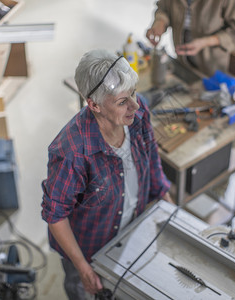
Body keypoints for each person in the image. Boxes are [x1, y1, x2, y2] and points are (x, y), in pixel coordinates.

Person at [41, 49, 172, 299]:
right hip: (89, 248)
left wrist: (166, 199)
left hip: (131, 228)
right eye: (123, 101)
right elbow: (55, 216)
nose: (135, 104)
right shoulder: (72, 151)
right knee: (85, 291)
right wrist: (82, 267)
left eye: (133, 92)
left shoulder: (138, 111)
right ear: (94, 105)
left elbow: (151, 154)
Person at [146, 0, 235, 77]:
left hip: (221, 69)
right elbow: (164, 7)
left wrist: (205, 42)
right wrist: (160, 22)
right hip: (187, 64)